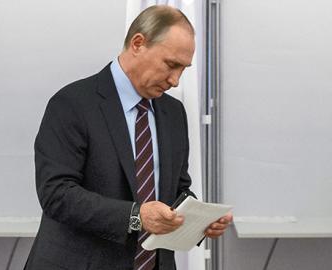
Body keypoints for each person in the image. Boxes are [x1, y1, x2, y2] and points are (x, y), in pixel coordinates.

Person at [25, 5, 233, 270]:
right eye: (171, 65)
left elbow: (176, 189)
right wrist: (137, 217)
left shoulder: (173, 113)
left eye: (183, 69)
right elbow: (56, 194)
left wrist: (199, 220)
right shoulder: (72, 103)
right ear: (138, 43)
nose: (176, 80)